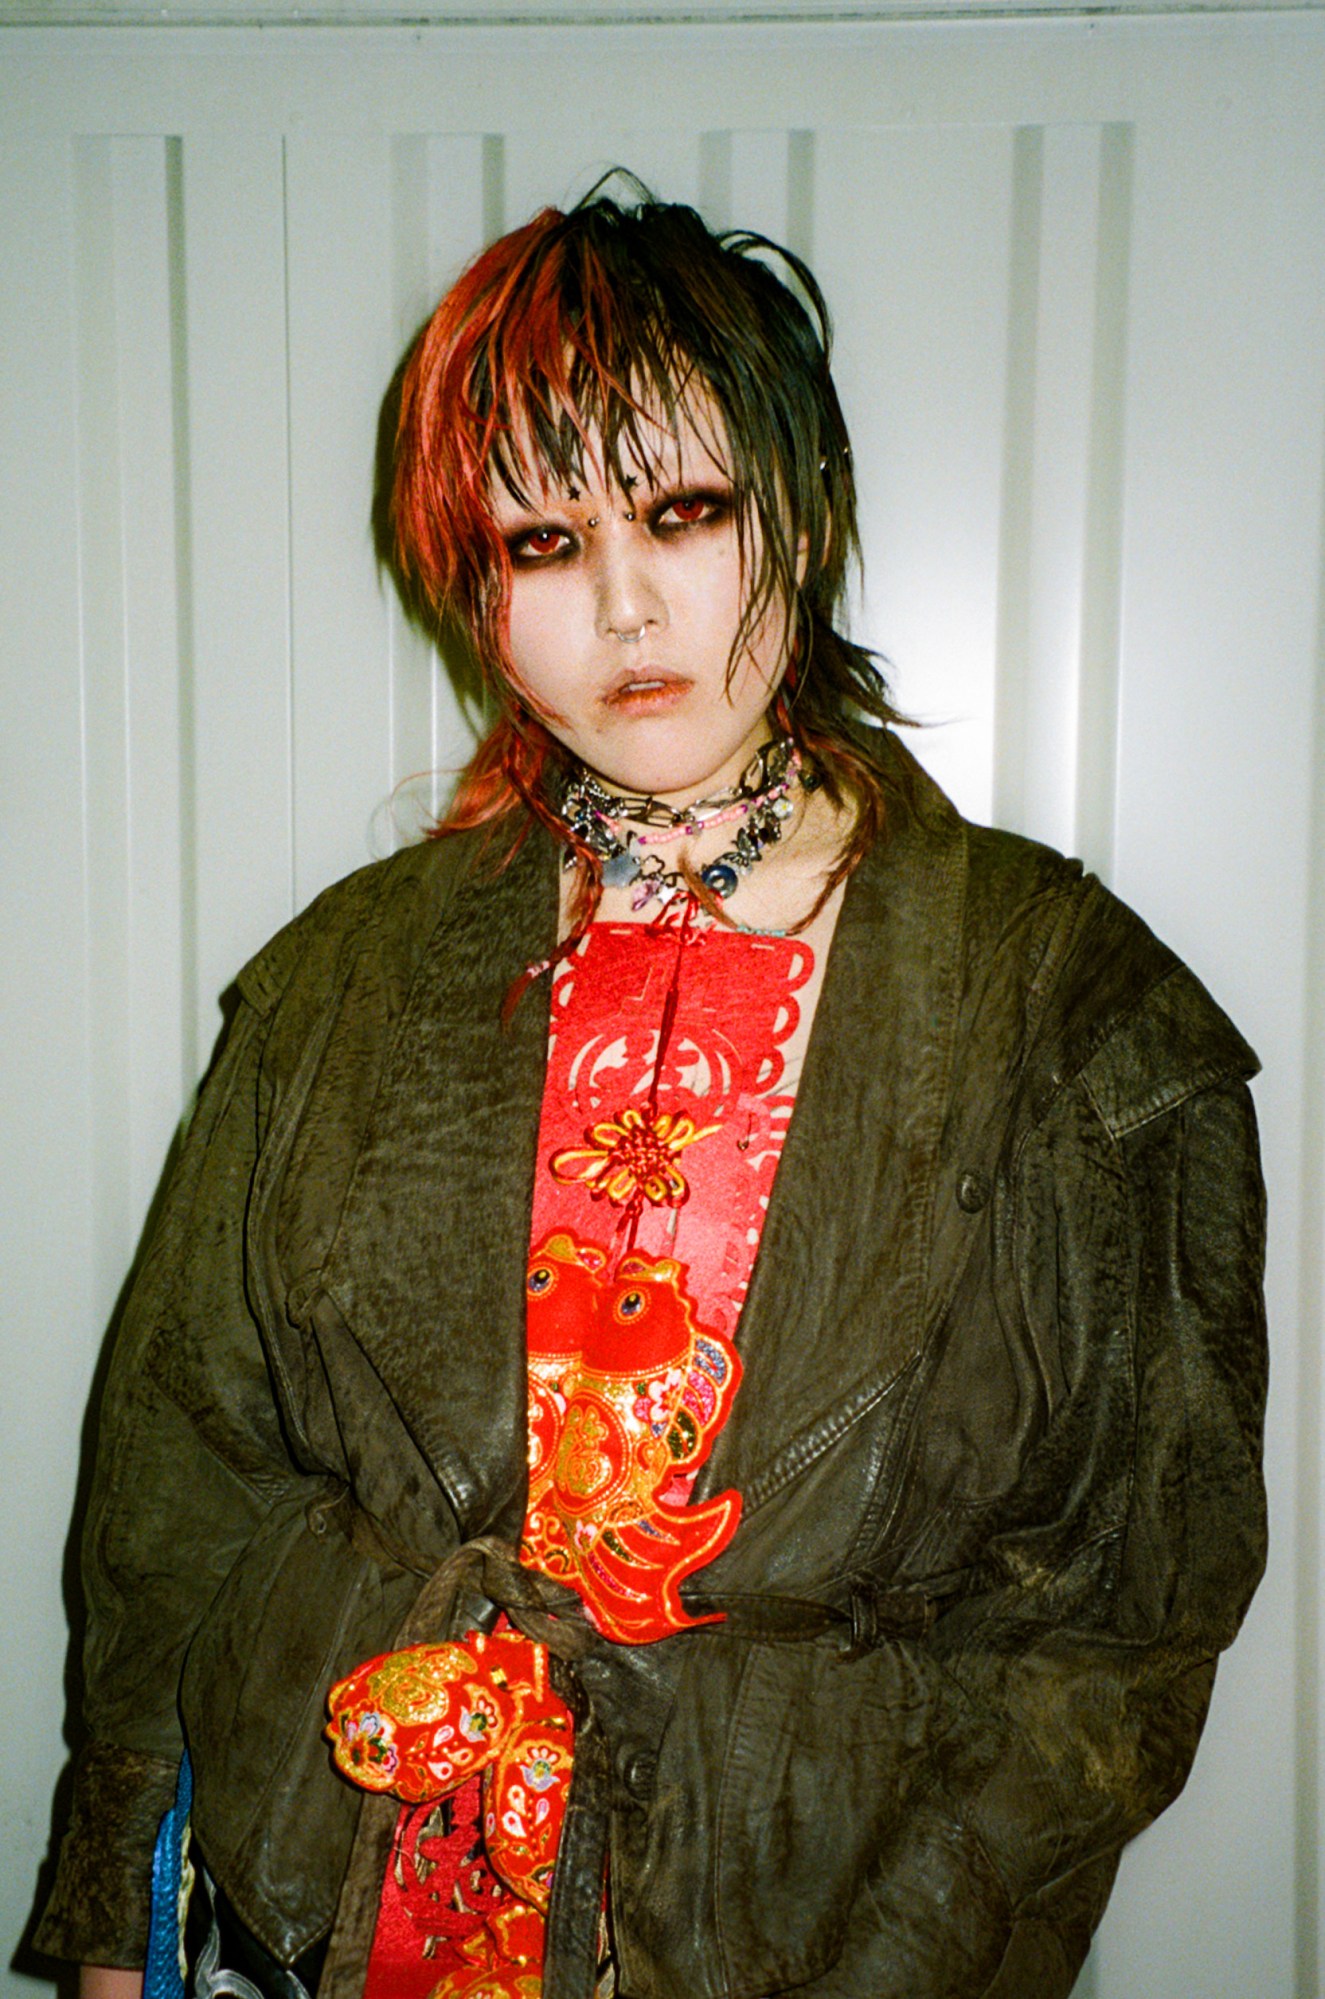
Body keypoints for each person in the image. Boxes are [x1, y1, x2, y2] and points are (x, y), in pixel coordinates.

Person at [36, 183, 1267, 1999]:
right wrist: (112, 1914)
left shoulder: (1071, 1006)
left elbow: (1118, 1612)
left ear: (799, 506)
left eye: (682, 512)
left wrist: (921, 1947)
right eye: (543, 541)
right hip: (348, 1901)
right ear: (477, 584)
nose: (623, 605)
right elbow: (182, 1471)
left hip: (818, 1922)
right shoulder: (338, 981)